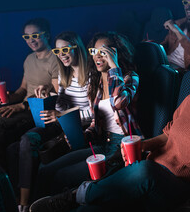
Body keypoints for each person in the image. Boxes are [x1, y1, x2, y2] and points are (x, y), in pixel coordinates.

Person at [29, 44, 190, 212]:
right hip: (142, 173)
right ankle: (77, 201)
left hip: (178, 188)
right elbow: (169, 135)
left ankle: (75, 195)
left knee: (145, 172)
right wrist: (145, 145)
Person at [31, 31, 141, 200]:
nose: (97, 56)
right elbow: (95, 123)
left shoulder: (129, 77)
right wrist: (81, 136)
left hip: (122, 148)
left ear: (115, 53)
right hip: (101, 143)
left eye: (103, 52)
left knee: (62, 176)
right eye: (94, 51)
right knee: (45, 170)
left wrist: (114, 67)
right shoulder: (96, 83)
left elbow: (119, 102)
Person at [11, 31, 92, 212]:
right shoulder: (66, 73)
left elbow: (95, 114)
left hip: (77, 127)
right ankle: (24, 202)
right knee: (24, 142)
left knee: (32, 148)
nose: (61, 55)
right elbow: (63, 103)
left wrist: (61, 114)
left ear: (77, 48)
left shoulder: (90, 75)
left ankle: (29, 204)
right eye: (57, 51)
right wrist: (48, 95)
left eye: (65, 49)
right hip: (62, 121)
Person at [0, 18, 59, 171]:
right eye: (27, 36)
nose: (31, 40)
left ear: (47, 35)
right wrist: (10, 98)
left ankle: (1, 171)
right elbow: (22, 89)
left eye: (36, 35)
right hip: (24, 107)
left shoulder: (55, 59)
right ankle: (1, 169)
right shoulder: (29, 59)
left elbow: (56, 94)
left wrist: (22, 106)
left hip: (39, 111)